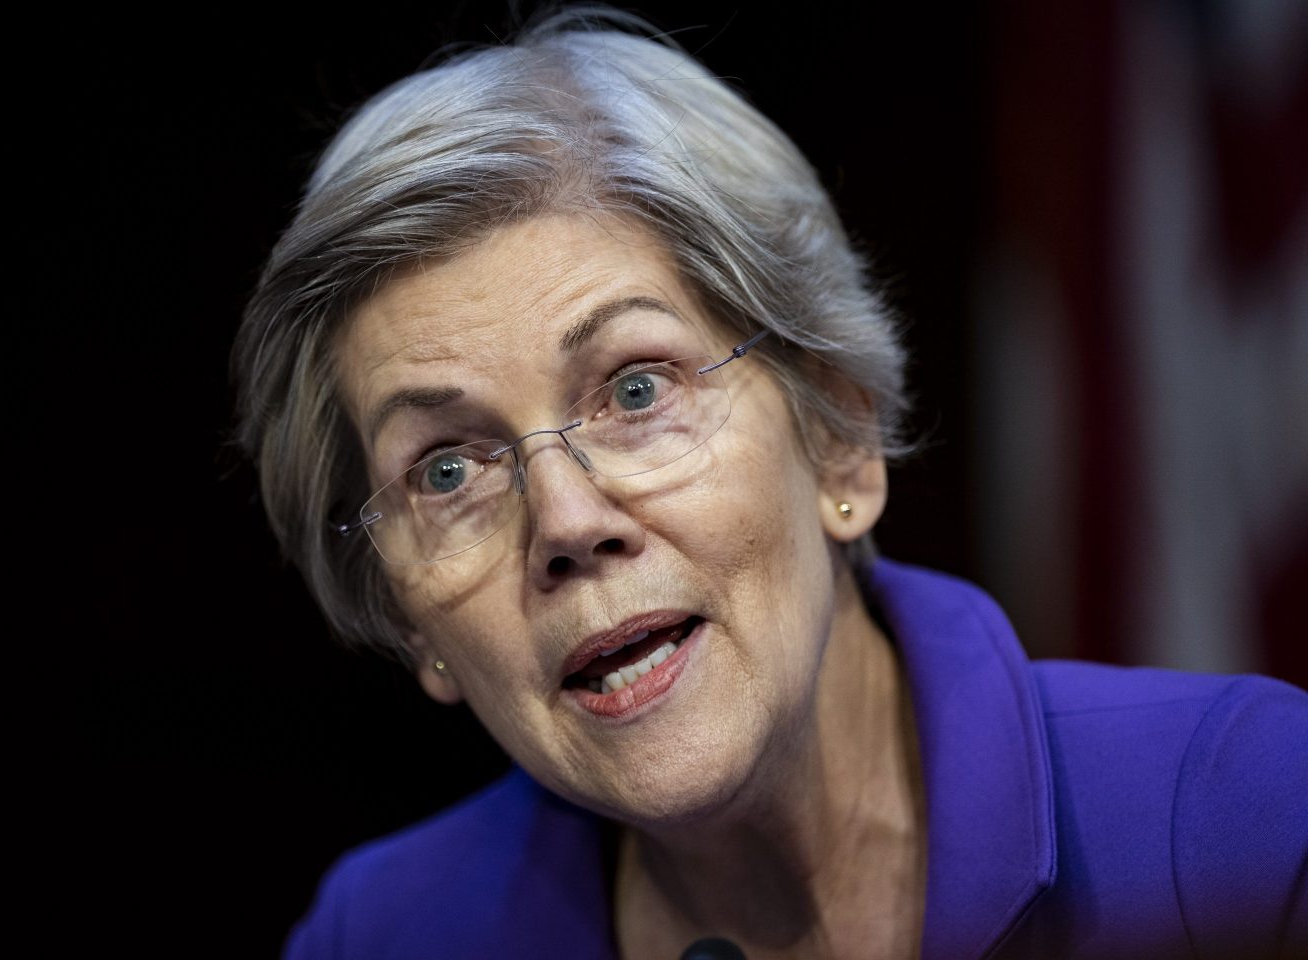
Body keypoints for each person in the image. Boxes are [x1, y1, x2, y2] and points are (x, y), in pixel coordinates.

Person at [234, 9, 1307, 959]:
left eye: (638, 390)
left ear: (839, 435)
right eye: (449, 469)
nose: (564, 522)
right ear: (409, 622)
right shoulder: (387, 935)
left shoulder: (1245, 815)